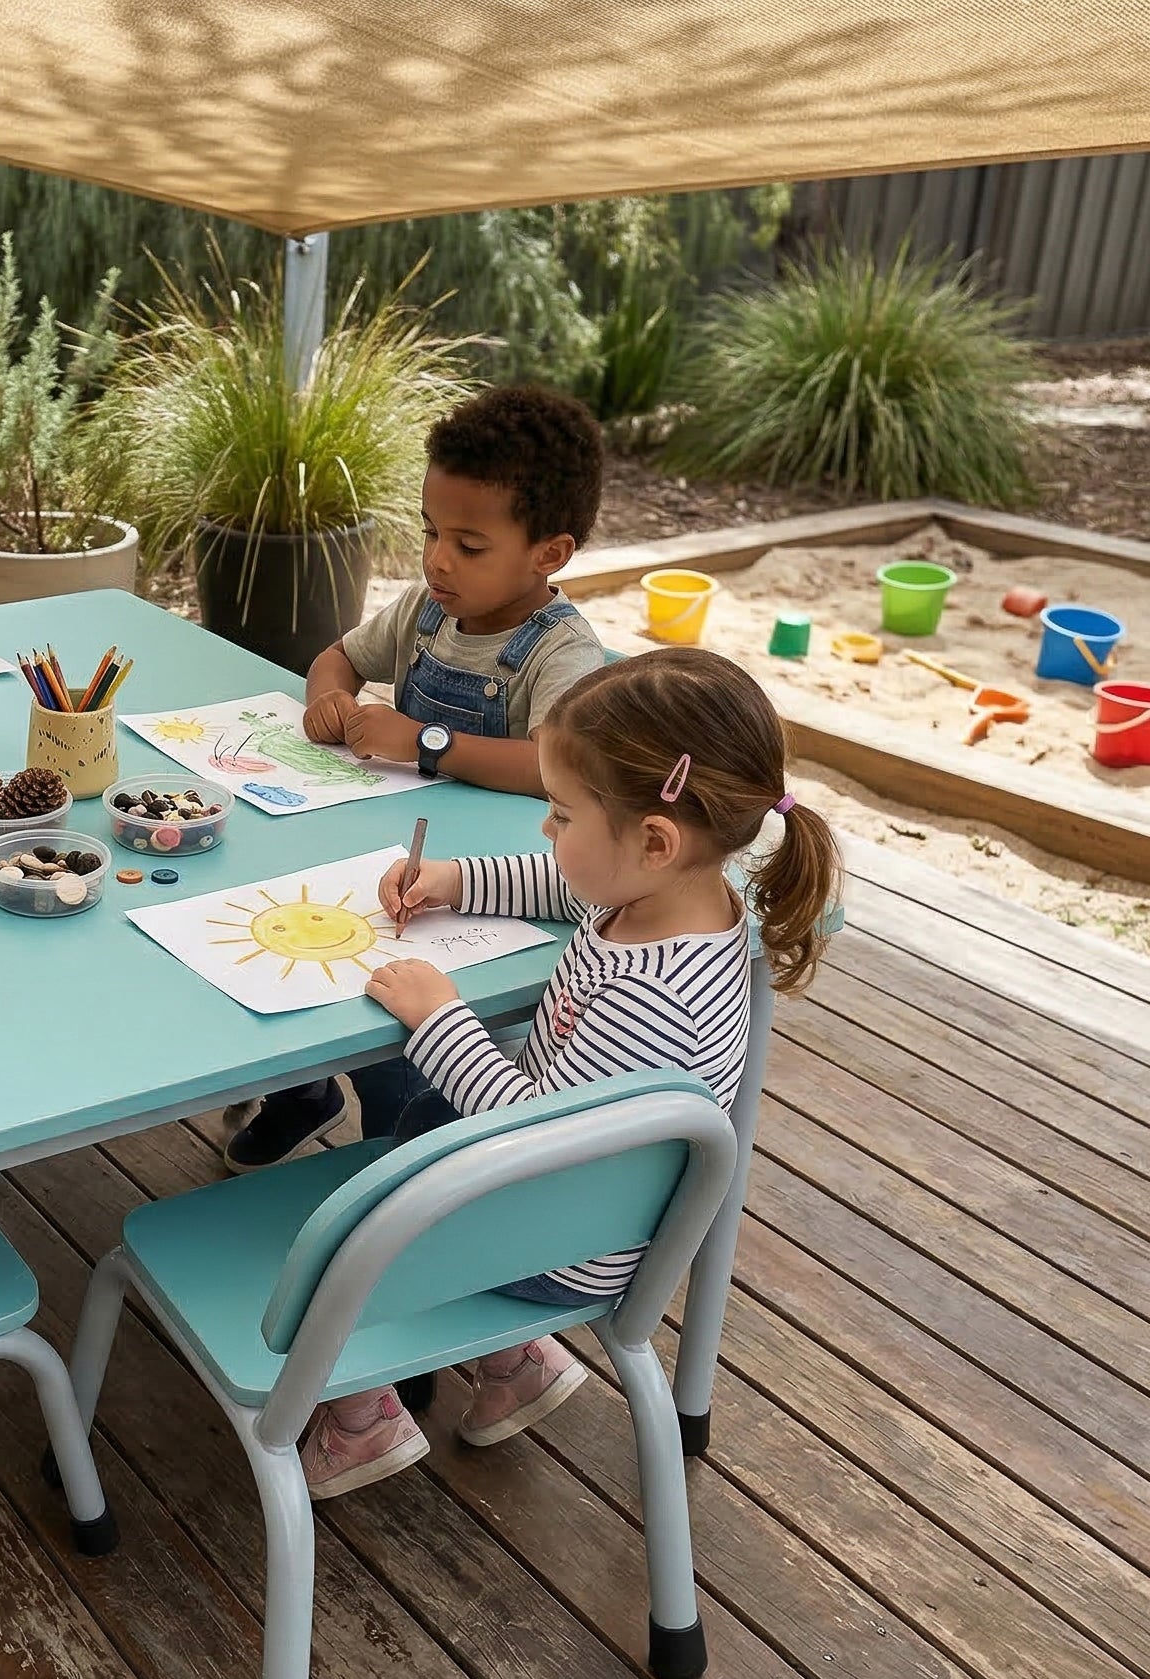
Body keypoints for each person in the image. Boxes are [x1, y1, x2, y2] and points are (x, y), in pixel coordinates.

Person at [298, 648, 843, 1499]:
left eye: (560, 814)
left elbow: (528, 1127)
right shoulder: (671, 897)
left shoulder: (651, 994)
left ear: (654, 841)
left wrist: (439, 1018)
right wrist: (452, 880)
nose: (546, 833)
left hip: (565, 1241)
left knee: (372, 1214)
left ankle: (362, 1420)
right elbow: (566, 890)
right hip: (586, 1200)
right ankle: (518, 1366)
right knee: (417, 1122)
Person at [224, 384, 609, 1172]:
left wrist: (428, 744)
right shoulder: (423, 611)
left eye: (469, 546)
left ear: (549, 553)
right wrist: (329, 700)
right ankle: (306, 1092)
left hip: (491, 889)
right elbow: (338, 657)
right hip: (393, 854)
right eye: (431, 531)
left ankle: (396, 1173)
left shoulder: (561, 651)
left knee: (392, 1023)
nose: (437, 559)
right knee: (291, 933)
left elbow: (552, 765)